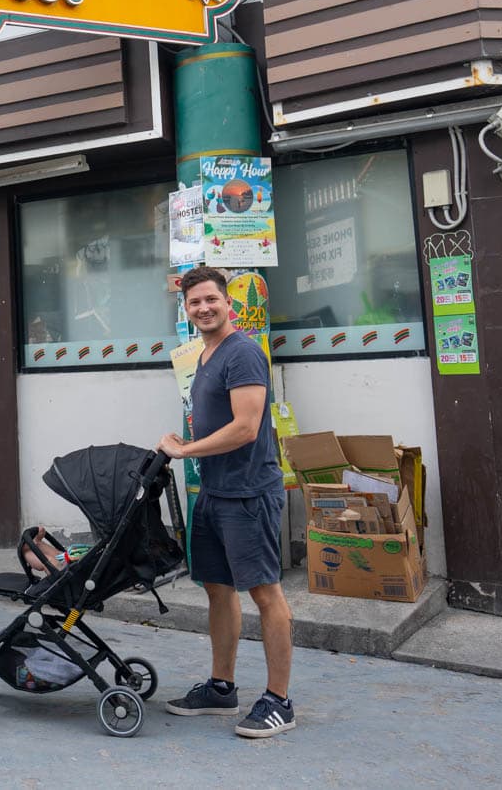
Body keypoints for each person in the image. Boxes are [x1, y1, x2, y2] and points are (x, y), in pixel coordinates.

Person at [155, 265, 295, 739]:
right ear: (187, 309)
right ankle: (222, 688)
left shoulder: (244, 353)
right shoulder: (205, 353)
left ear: (227, 304)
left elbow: (246, 428)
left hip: (248, 492)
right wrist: (186, 443)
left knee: (264, 592)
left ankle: (280, 701)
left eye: (211, 299)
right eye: (195, 302)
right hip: (213, 491)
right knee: (217, 587)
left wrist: (186, 451)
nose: (204, 308)